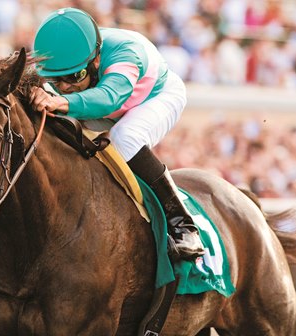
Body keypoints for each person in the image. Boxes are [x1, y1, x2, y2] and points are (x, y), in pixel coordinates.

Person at [30, 7, 204, 259]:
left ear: (96, 59)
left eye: (74, 76)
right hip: (102, 109)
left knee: (124, 137)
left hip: (154, 98)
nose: (65, 86)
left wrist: (59, 101)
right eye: (57, 81)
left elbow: (110, 98)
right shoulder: (62, 62)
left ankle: (182, 225)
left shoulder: (124, 51)